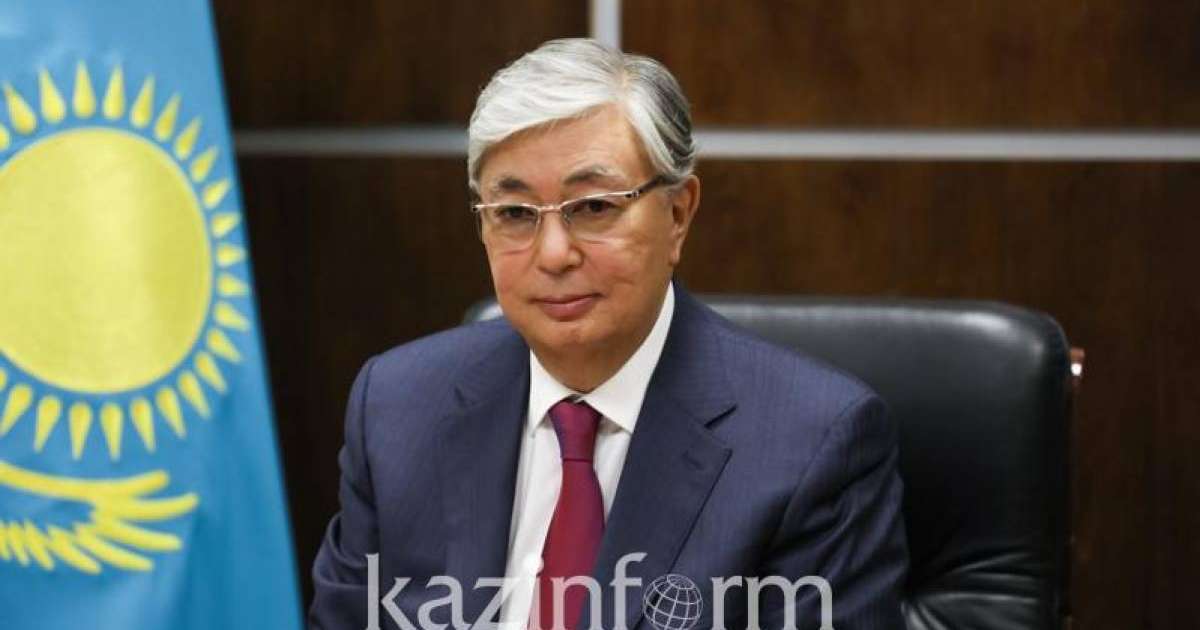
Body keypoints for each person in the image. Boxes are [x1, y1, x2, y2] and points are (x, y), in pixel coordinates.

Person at [309, 38, 908, 630]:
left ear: (678, 213)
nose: (553, 254)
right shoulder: (398, 407)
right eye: (514, 214)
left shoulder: (813, 445)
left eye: (593, 207)